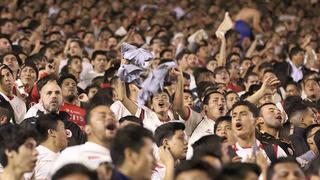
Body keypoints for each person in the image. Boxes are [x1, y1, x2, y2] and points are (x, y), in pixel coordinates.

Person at [52, 96, 117, 172]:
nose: (110, 118)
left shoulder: (126, 156)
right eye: (102, 116)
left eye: (113, 116)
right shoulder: (71, 155)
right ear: (88, 129)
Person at [21, 75, 85, 146]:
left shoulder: (74, 128)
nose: (54, 96)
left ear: (62, 99)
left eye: (57, 93)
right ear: (41, 100)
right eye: (49, 93)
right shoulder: (28, 125)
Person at [25, 113, 68, 180]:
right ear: (51, 132)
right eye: (63, 128)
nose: (67, 133)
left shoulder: (65, 158)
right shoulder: (33, 156)